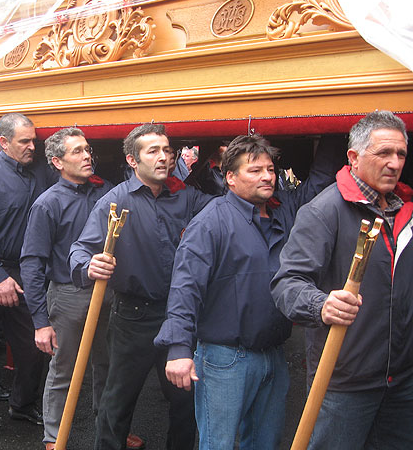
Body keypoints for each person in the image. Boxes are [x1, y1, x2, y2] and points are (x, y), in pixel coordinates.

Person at [154, 132, 343, 449]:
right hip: (225, 358)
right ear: (229, 177)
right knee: (219, 443)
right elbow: (185, 289)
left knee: (266, 442)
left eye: (270, 169)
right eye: (255, 170)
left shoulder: (284, 213)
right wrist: (178, 349)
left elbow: (319, 184)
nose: (267, 177)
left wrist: (338, 126)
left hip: (273, 355)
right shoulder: (210, 223)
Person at [271, 110, 413, 449]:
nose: (394, 163)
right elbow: (286, 283)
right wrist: (322, 304)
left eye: (401, 154)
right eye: (384, 153)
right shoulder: (324, 211)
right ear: (354, 156)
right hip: (344, 381)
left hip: (402, 380)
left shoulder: (405, 212)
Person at [69, 123, 213, 450]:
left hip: (180, 318)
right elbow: (80, 250)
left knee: (185, 403)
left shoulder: (186, 197)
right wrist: (88, 265)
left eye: (167, 150)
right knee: (117, 404)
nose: (164, 157)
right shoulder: (115, 201)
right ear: (133, 161)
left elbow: (222, 215)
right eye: (153, 151)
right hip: (132, 318)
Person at [20, 127, 118, 450]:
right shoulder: (47, 204)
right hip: (68, 296)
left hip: (109, 292)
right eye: (77, 151)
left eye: (87, 149)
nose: (87, 155)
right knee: (63, 369)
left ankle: (107, 429)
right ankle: (53, 438)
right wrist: (40, 321)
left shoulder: (108, 196)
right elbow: (32, 264)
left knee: (107, 365)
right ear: (57, 162)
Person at [0, 113, 57, 447]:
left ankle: (22, 404)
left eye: (34, 140)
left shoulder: (42, 172)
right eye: (25, 142)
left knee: (34, 345)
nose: (33, 147)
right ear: (3, 143)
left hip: (27, 271)